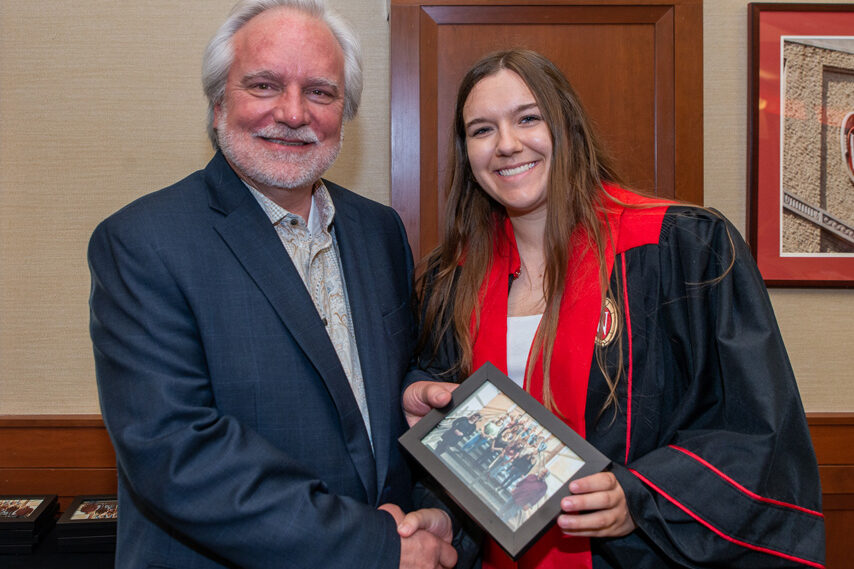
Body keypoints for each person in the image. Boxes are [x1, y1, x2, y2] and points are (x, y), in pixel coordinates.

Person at [402, 49, 825, 568]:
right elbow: (452, 436)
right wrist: (423, 403)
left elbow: (757, 428)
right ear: (466, 151)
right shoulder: (451, 281)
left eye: (528, 118)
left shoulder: (683, 248)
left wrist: (643, 497)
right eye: (481, 130)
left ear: (568, 128)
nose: (507, 145)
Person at [88, 1, 460, 568]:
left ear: (345, 111)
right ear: (218, 104)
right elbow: (177, 456)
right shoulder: (143, 242)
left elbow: (383, 381)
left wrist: (427, 495)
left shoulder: (378, 230)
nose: (292, 113)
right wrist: (374, 546)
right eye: (264, 85)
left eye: (320, 92)